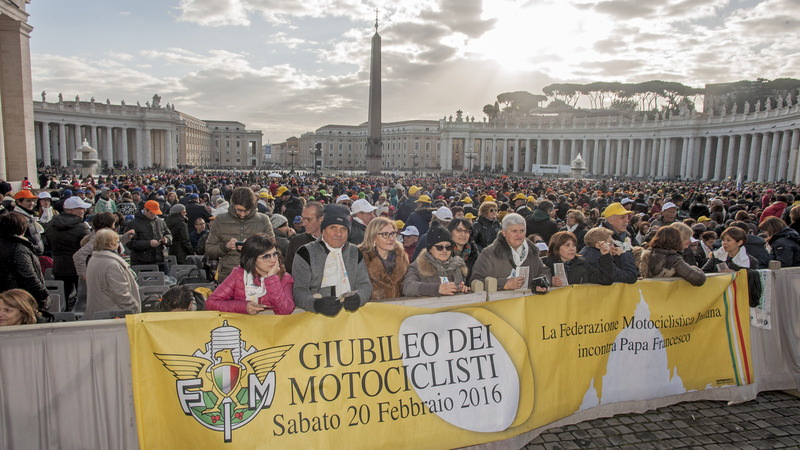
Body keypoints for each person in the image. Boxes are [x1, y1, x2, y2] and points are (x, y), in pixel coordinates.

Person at [292, 204, 372, 316]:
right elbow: (299, 291)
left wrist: (359, 298)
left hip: (350, 319)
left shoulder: (354, 252)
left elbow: (365, 284)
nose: (338, 234)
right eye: (333, 228)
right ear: (323, 230)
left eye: (343, 229)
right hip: (315, 320)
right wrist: (316, 304)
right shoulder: (305, 252)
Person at [206, 233, 295, 315]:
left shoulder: (285, 278)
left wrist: (271, 278)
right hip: (245, 329)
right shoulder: (238, 274)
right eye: (266, 256)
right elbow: (211, 303)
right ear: (252, 259)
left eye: (275, 254)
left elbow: (284, 310)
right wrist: (243, 307)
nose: (273, 260)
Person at [205, 187, 275, 282]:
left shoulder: (263, 220)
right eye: (239, 210)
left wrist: (253, 246)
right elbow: (209, 250)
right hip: (227, 277)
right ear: (233, 204)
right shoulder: (220, 220)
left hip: (256, 276)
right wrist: (225, 246)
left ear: (253, 207)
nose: (242, 214)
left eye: (246, 211)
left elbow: (273, 248)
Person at [471, 213, 551, 292]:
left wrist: (542, 282)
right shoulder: (489, 254)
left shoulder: (531, 252)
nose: (519, 235)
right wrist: (505, 284)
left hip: (528, 303)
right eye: (514, 231)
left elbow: (544, 271)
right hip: (501, 303)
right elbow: (476, 280)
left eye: (522, 231)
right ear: (504, 232)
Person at [44, 195, 91, 306]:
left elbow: (48, 244)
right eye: (81, 208)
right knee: (83, 301)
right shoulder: (81, 227)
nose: (84, 211)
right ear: (72, 210)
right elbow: (88, 247)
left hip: (59, 266)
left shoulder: (51, 225)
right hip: (78, 268)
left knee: (61, 300)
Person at [85, 229, 141, 319]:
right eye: (117, 241)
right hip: (113, 313)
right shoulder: (112, 264)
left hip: (98, 311)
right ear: (111, 244)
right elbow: (120, 293)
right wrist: (135, 309)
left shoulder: (94, 259)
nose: (119, 244)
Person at [402, 222, 469, 297]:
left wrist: (461, 289)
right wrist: (437, 289)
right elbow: (407, 287)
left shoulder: (457, 266)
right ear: (430, 249)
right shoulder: (418, 266)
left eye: (448, 247)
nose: (444, 251)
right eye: (439, 247)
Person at [0, 212, 50, 309]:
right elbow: (28, 276)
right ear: (22, 228)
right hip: (19, 301)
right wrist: (44, 296)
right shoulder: (19, 248)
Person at [587, 202, 639, 284]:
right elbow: (625, 276)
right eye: (623, 217)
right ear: (611, 220)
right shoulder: (600, 238)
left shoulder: (627, 236)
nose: (627, 220)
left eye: (627, 217)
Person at [359, 217, 409, 300]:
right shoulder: (361, 258)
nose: (391, 238)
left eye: (393, 233)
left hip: (399, 308)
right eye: (385, 234)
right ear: (373, 237)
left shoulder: (401, 255)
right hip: (373, 310)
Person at [637, 227, 706, 286]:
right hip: (668, 297)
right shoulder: (673, 258)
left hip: (649, 297)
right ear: (676, 240)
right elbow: (698, 279)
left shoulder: (647, 254)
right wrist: (694, 268)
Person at [543, 231, 613, 286]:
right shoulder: (544, 264)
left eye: (574, 245)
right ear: (556, 247)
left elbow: (605, 280)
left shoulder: (582, 264)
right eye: (567, 245)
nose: (572, 249)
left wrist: (605, 255)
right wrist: (548, 281)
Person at [125, 200, 173, 273]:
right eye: (151, 213)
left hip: (162, 260)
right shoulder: (133, 224)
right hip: (143, 262)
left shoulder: (160, 222)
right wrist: (148, 243)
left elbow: (168, 234)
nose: (154, 215)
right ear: (145, 210)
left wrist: (166, 239)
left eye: (155, 213)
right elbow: (129, 243)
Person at [285, 202, 324, 273]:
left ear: (321, 219)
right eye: (302, 219)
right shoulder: (296, 241)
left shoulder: (333, 242)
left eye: (308, 219)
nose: (303, 224)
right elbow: (289, 270)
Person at [13, 189, 45, 255]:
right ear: (18, 202)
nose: (32, 203)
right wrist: (34, 248)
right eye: (28, 201)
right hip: (27, 253)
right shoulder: (17, 218)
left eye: (33, 201)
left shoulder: (28, 215)